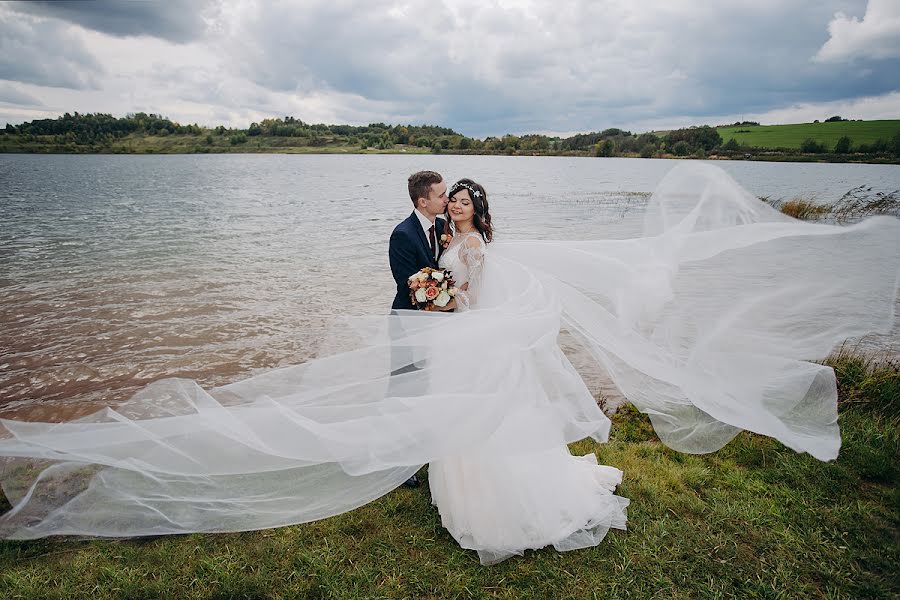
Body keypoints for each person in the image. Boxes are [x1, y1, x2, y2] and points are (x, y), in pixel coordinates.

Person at [0, 164, 897, 568]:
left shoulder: (469, 246)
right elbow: (427, 291)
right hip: (438, 333)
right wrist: (447, 303)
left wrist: (461, 302)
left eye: (461, 199)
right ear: (433, 204)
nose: (453, 205)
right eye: (448, 197)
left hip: (463, 339)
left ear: (469, 209)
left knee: (474, 419)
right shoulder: (417, 236)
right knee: (432, 402)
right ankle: (433, 470)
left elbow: (468, 293)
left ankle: (472, 490)